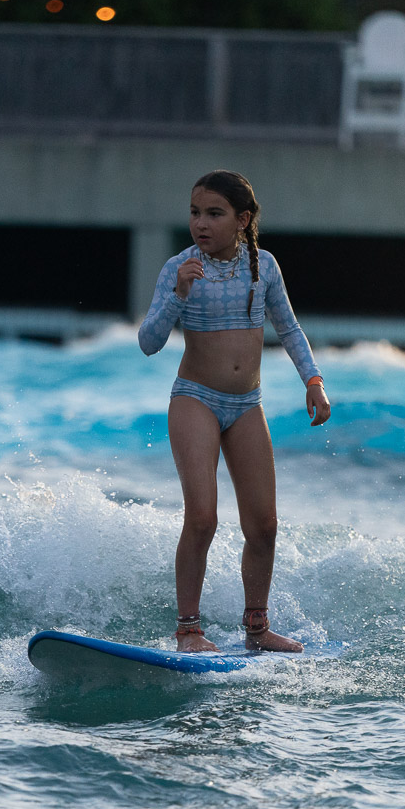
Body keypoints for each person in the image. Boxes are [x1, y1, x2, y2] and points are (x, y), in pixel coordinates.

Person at [138, 170, 330, 654]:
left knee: (264, 525)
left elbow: (289, 328)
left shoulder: (263, 267)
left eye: (214, 214)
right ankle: (188, 630)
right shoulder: (178, 268)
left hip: (247, 404)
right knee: (202, 517)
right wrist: (178, 295)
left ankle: (257, 629)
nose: (200, 223)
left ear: (242, 220)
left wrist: (313, 381)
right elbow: (148, 342)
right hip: (195, 399)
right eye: (195, 212)